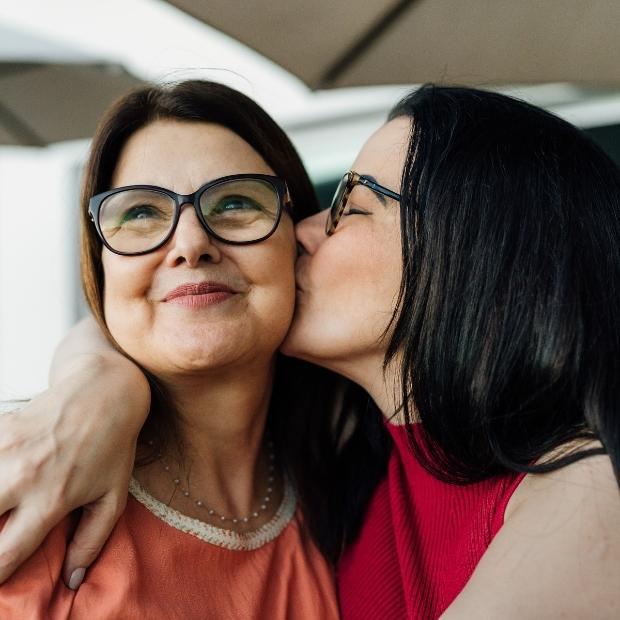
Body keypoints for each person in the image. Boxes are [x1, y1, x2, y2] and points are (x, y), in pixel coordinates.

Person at [2, 85, 619, 618]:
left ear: (476, 251)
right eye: (138, 213)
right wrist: (95, 381)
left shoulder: (577, 482)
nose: (304, 231)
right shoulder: (359, 463)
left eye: (352, 204)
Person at [0, 80, 340, 618]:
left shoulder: (352, 490)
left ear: (296, 241)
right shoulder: (26, 490)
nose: (190, 245)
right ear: (102, 266)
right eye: (140, 213)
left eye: (235, 203)